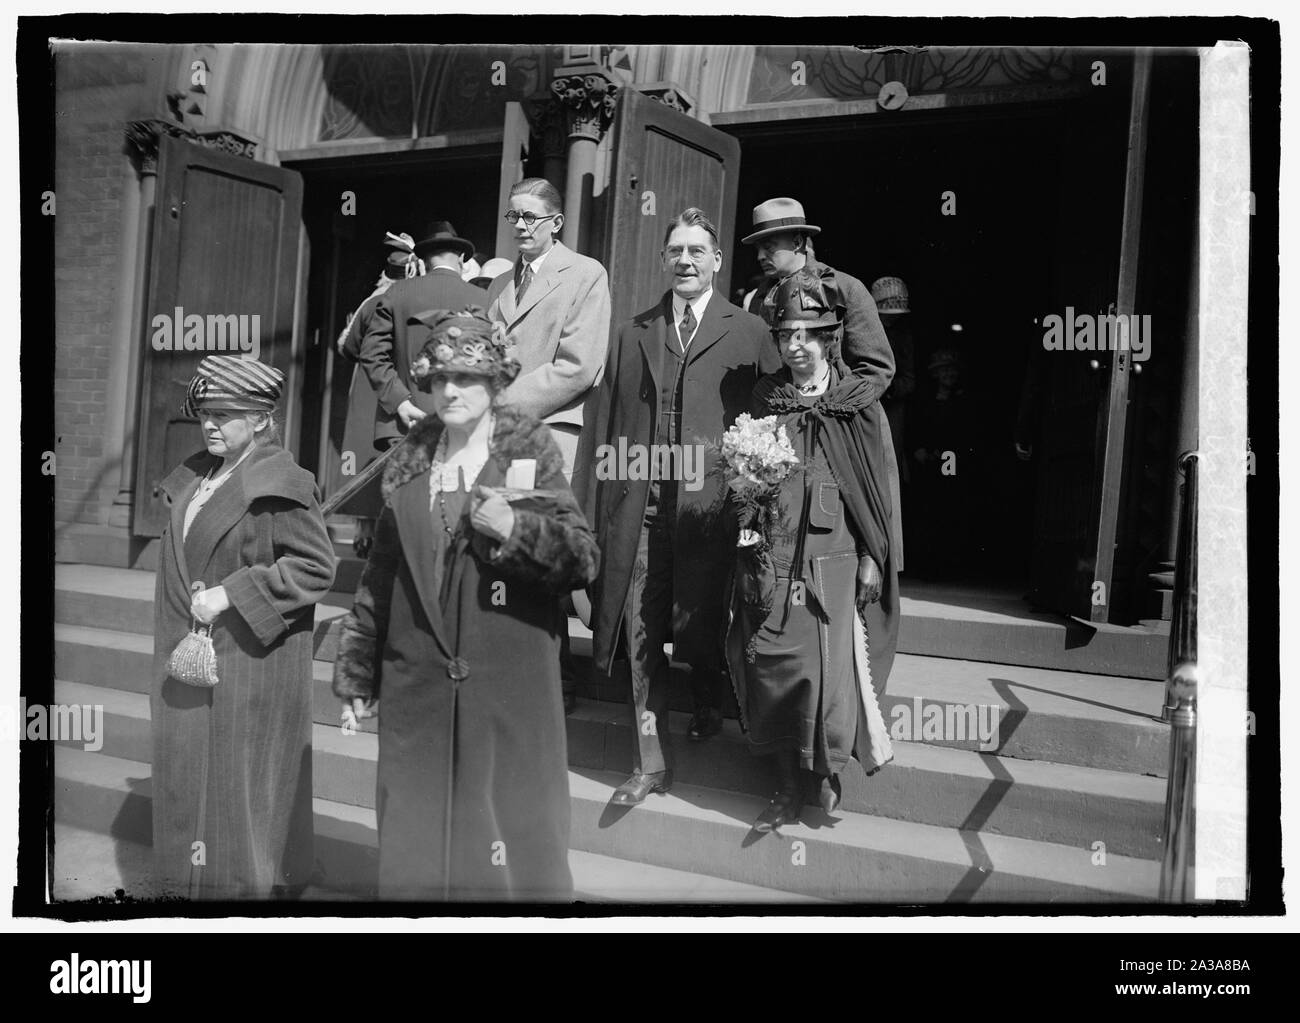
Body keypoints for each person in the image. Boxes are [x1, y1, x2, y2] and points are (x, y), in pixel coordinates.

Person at [332, 308, 599, 901]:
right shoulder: (407, 464)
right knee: (415, 841)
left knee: (507, 849)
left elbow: (583, 560)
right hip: (418, 688)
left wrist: (515, 528)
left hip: (509, 691)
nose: (451, 391)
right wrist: (358, 675)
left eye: (468, 379)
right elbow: (380, 581)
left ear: (496, 383)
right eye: (440, 379)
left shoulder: (528, 453)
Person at [572, 207, 781, 807]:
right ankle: (649, 762)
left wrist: (758, 506)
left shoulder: (749, 331)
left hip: (712, 513)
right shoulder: (634, 331)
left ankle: (710, 699)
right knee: (640, 633)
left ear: (717, 261)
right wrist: (592, 512)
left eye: (697, 251)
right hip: (642, 511)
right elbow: (603, 427)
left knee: (703, 627)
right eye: (676, 251)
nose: (685, 261)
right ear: (664, 260)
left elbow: (772, 423)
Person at [151, 356, 337, 899]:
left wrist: (231, 595)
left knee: (237, 796)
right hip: (187, 660)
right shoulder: (195, 477)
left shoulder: (280, 483)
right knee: (188, 781)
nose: (210, 423)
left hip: (247, 661)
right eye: (205, 412)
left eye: (226, 413)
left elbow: (316, 567)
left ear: (261, 419)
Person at [725, 270, 898, 832]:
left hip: (835, 556)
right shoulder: (765, 398)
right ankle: (782, 782)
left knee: (826, 672)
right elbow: (745, 475)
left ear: (828, 339)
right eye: (785, 335)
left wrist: (876, 554)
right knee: (773, 663)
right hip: (774, 555)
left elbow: (877, 485)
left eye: (808, 334)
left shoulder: (856, 402)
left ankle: (823, 773)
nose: (795, 346)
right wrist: (748, 527)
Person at [486, 177, 612, 713]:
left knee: (545, 552)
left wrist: (502, 403)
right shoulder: (497, 286)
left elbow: (579, 366)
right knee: (505, 552)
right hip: (499, 438)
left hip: (550, 437)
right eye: (513, 217)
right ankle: (513, 670)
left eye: (529, 218)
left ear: (555, 223)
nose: (518, 227)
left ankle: (554, 681)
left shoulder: (584, 274)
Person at [742, 197, 904, 568]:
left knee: (850, 551)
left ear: (798, 242)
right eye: (758, 248)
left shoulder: (845, 288)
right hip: (782, 438)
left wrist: (828, 409)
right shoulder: (760, 301)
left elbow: (877, 368)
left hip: (844, 436)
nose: (761, 255)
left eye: (770, 246)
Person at [359, 219, 485, 450]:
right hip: (464, 426)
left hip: (405, 425)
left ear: (424, 261)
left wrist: (401, 402)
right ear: (460, 259)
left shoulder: (396, 292)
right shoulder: (482, 299)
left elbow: (371, 353)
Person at [336, 231, 424, 556]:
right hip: (404, 388)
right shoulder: (419, 300)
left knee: (366, 456)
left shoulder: (373, 301)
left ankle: (367, 533)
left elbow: (348, 345)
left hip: (370, 388)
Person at [870, 276, 917, 489]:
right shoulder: (863, 329)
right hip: (864, 403)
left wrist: (890, 389)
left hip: (892, 406)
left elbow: (909, 377)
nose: (891, 320)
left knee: (891, 466)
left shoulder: (903, 336)